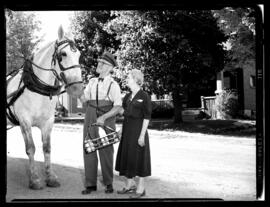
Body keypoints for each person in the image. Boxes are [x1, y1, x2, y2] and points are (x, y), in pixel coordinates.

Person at [79, 51, 122, 194]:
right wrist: (77, 91)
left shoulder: (114, 85)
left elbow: (118, 106)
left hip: (107, 116)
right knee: (89, 146)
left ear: (109, 67)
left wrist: (104, 117)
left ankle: (109, 183)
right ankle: (90, 184)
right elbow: (84, 100)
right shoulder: (92, 81)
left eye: (102, 63)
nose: (99, 65)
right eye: (99, 62)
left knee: (106, 149)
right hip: (90, 114)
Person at [115, 69, 152, 199]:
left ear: (136, 80)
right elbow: (125, 116)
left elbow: (147, 117)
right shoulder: (127, 97)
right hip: (127, 131)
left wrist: (142, 136)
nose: (127, 80)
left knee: (140, 159)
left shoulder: (144, 96)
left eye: (129, 78)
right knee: (127, 157)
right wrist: (121, 130)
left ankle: (141, 188)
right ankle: (130, 185)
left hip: (138, 131)